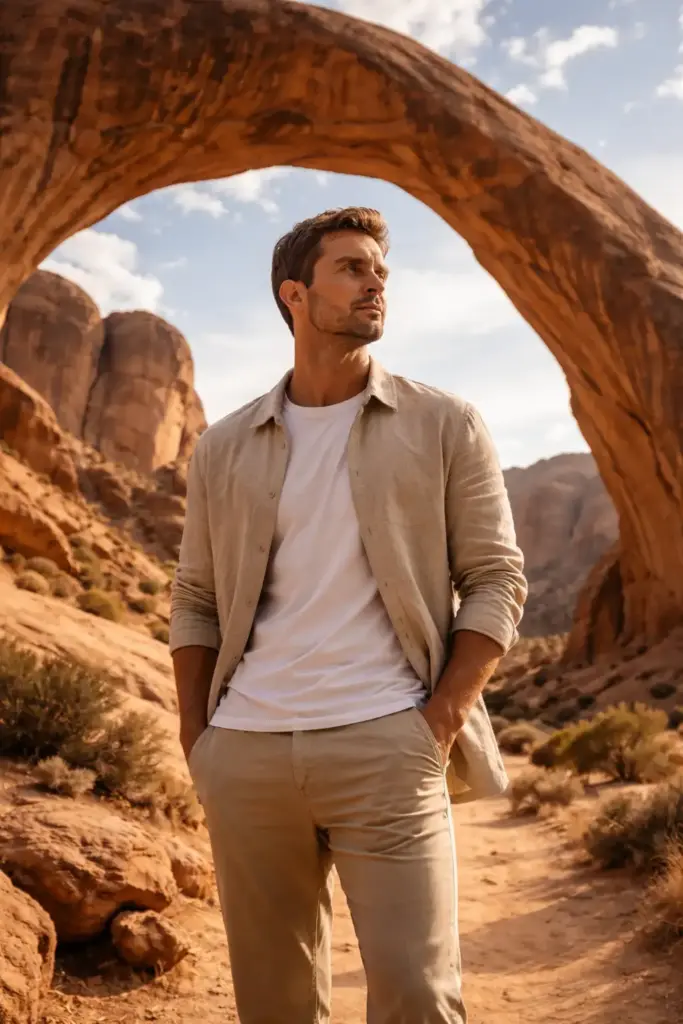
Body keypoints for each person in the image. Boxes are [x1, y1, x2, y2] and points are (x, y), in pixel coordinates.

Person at [169, 206, 527, 1024]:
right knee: (275, 1004)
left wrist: (437, 719)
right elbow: (194, 598)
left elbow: (496, 578)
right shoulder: (223, 445)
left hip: (387, 742)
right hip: (247, 753)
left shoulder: (444, 423)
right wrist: (200, 741)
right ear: (295, 294)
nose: (376, 285)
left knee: (417, 996)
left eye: (381, 273)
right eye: (352, 268)